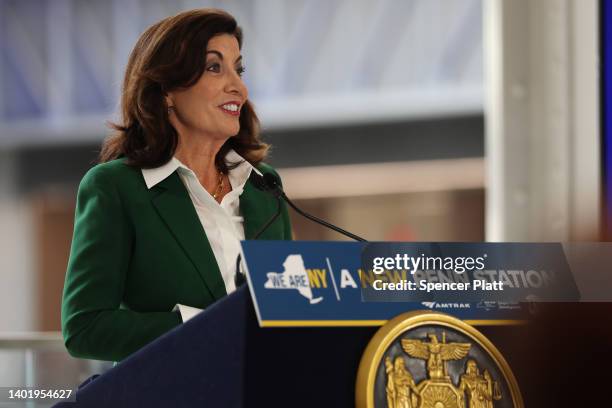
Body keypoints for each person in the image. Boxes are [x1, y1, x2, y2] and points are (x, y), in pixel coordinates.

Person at [61, 9, 292, 362]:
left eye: (238, 69)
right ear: (167, 90)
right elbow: (84, 327)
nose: (239, 87)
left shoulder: (264, 186)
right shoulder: (116, 187)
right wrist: (202, 327)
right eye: (215, 67)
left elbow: (286, 307)